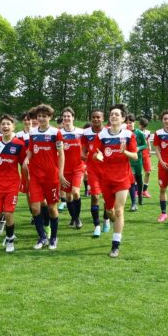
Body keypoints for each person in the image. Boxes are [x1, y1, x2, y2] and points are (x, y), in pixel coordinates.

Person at [94, 104, 138, 258]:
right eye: (112, 114)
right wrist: (97, 156)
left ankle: (115, 245)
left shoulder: (128, 135)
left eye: (116, 114)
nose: (113, 116)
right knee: (110, 211)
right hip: (106, 178)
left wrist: (124, 151)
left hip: (122, 178)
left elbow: (135, 156)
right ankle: (113, 220)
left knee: (119, 210)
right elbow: (96, 154)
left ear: (123, 118)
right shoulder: (102, 135)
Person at [0, 114, 27, 252]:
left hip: (12, 184)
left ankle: (9, 240)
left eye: (8, 124)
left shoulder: (19, 145)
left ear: (13, 126)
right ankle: (2, 220)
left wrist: (25, 182)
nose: (5, 126)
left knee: (9, 213)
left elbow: (24, 165)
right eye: (3, 124)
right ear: (0, 127)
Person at [27, 104, 65, 250]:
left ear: (50, 117)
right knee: (35, 208)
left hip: (51, 176)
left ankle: (54, 238)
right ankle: (42, 237)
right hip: (36, 176)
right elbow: (31, 149)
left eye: (44, 116)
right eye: (39, 116)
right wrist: (27, 158)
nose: (41, 118)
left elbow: (61, 154)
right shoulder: (32, 132)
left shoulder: (56, 133)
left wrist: (60, 173)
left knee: (51, 209)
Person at [81, 109, 111, 237]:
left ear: (103, 118)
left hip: (107, 170)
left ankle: (106, 219)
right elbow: (83, 151)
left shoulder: (108, 132)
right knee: (94, 197)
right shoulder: (86, 133)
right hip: (93, 170)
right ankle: (97, 225)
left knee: (107, 198)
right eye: (93, 117)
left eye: (98, 117)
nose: (96, 119)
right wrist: (85, 156)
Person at [60, 107, 85, 228]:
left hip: (78, 168)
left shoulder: (81, 132)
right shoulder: (59, 133)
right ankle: (73, 218)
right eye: (64, 116)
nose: (66, 118)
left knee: (75, 193)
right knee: (68, 196)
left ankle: (77, 218)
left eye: (68, 116)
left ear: (73, 117)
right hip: (64, 169)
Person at [126, 114, 147, 211]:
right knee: (131, 181)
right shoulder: (125, 133)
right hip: (128, 160)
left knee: (139, 179)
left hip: (138, 160)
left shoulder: (140, 133)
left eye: (131, 122)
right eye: (127, 122)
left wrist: (138, 148)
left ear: (134, 122)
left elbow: (145, 145)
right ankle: (133, 203)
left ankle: (140, 196)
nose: (129, 124)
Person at [138, 117, 152, 198]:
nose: (142, 127)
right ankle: (136, 190)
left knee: (148, 172)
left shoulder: (147, 132)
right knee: (137, 173)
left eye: (144, 126)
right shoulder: (135, 132)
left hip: (145, 153)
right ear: (139, 124)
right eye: (142, 125)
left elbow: (147, 140)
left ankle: (145, 191)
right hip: (138, 154)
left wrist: (149, 147)